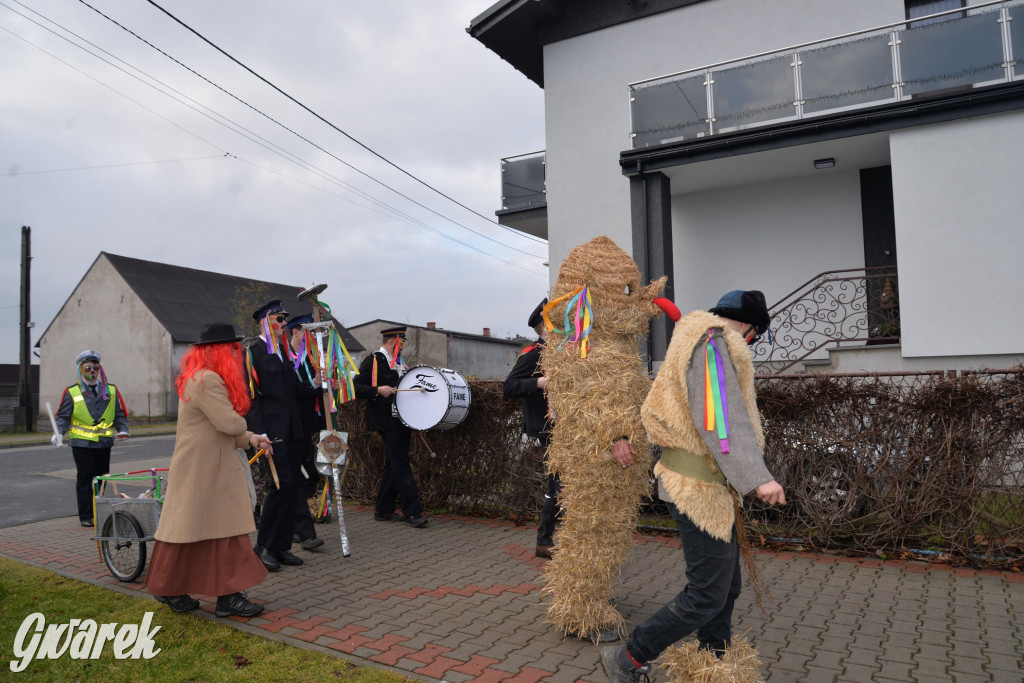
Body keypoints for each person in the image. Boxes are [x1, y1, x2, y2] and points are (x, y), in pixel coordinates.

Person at [601, 290, 787, 682]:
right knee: (705, 595)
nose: (749, 343)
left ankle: (713, 658)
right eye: (753, 335)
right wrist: (759, 478)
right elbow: (721, 419)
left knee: (726, 586)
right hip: (696, 488)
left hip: (705, 485)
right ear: (746, 326)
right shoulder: (713, 344)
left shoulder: (693, 338)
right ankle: (628, 658)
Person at [145, 322, 272, 616]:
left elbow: (224, 428)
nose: (236, 354)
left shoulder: (201, 377)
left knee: (200, 532)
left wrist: (252, 439)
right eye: (232, 348)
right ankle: (219, 596)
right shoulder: (207, 380)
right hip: (204, 470)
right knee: (204, 531)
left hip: (205, 469)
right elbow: (228, 423)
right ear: (218, 351)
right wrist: (250, 428)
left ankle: (183, 590)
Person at [243, 299, 307, 571]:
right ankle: (263, 546)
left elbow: (294, 391)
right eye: (279, 320)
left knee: (292, 490)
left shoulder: (283, 351)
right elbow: (251, 397)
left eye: (284, 320)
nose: (283, 324)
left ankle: (282, 547)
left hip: (293, 431)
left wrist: (318, 384)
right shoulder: (254, 352)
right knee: (279, 488)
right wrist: (260, 433)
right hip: (272, 433)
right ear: (264, 322)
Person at [353, 326, 427, 528]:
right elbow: (355, 386)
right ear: (393, 341)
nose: (403, 346)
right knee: (401, 463)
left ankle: (383, 510)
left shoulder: (400, 363)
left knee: (393, 463)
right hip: (385, 420)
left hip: (401, 419)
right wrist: (377, 390)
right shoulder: (374, 360)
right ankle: (412, 511)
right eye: (402, 343)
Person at [503, 298, 560, 559]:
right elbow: (509, 387)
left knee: (564, 483)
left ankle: (553, 538)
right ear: (544, 327)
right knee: (557, 483)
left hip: (567, 427)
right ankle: (544, 541)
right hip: (548, 427)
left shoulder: (563, 352)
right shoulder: (534, 352)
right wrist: (540, 383)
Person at [52, 350, 130, 527]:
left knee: (102, 478)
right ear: (81, 369)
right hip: (81, 443)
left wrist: (123, 429)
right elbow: (63, 417)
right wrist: (57, 432)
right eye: (88, 368)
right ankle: (86, 516)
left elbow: (119, 415)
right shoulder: (72, 392)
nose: (92, 371)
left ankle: (99, 512)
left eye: (96, 367)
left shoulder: (110, 390)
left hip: (104, 442)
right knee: (86, 478)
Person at [286, 314, 326, 551]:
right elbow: (297, 391)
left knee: (312, 471)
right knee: (294, 477)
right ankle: (298, 527)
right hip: (293, 426)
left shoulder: (313, 359)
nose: (311, 337)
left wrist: (326, 384)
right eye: (307, 332)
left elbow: (317, 391)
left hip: (311, 426)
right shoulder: (288, 360)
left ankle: (295, 522)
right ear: (296, 332)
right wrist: (314, 385)